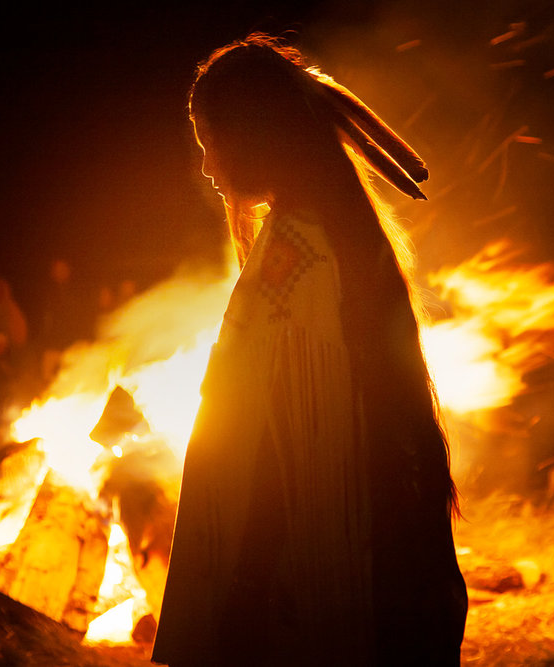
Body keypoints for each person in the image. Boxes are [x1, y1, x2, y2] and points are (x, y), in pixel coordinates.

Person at [152, 34, 467, 666]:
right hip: (349, 552)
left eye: (209, 141)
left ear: (250, 135)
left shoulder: (301, 247)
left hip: (312, 566)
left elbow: (288, 436)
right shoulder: (327, 227)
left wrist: (245, 577)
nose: (207, 166)